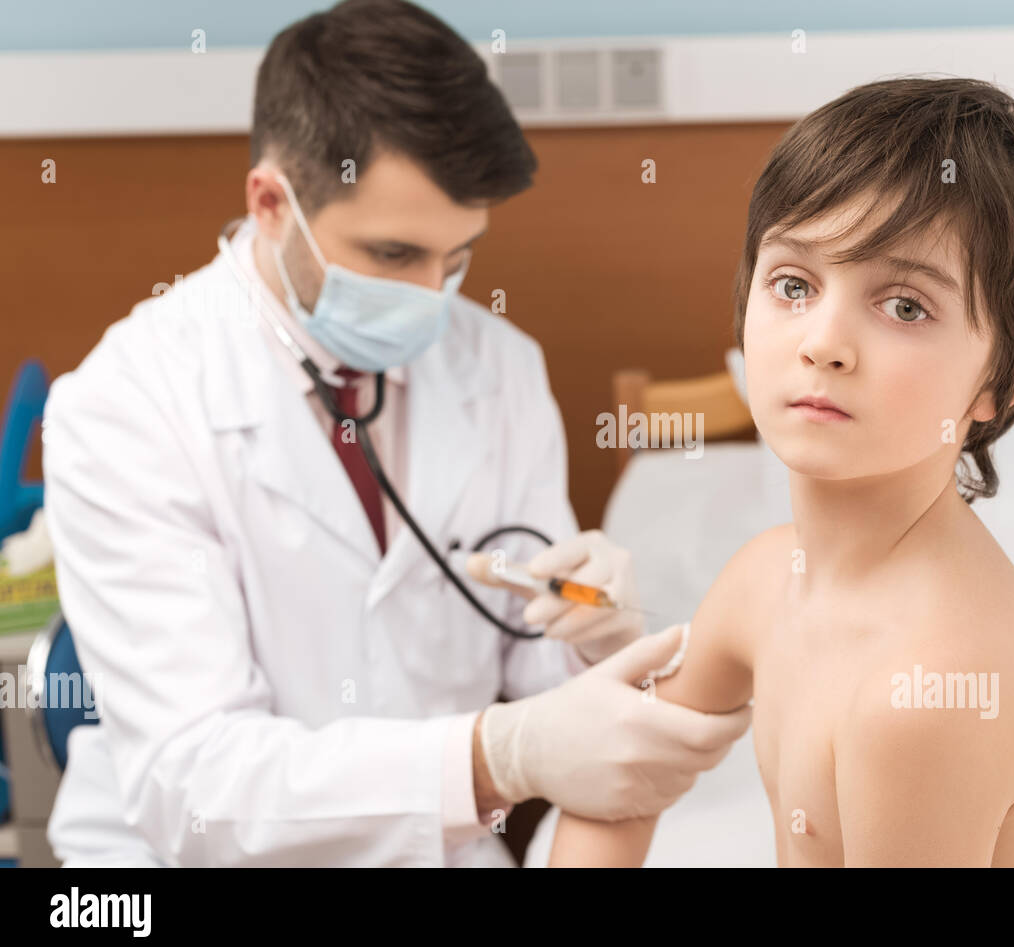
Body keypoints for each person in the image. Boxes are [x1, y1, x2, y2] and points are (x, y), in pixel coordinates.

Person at [39, 0, 749, 867]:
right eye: (393, 256)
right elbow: (196, 789)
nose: (432, 296)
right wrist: (495, 755)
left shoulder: (500, 370)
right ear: (270, 202)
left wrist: (597, 637)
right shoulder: (124, 406)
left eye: (458, 259)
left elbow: (544, 690)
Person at [548, 77, 1014, 867]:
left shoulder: (921, 699)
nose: (823, 342)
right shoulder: (764, 579)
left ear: (1000, 383)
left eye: (905, 306)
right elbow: (616, 780)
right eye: (794, 285)